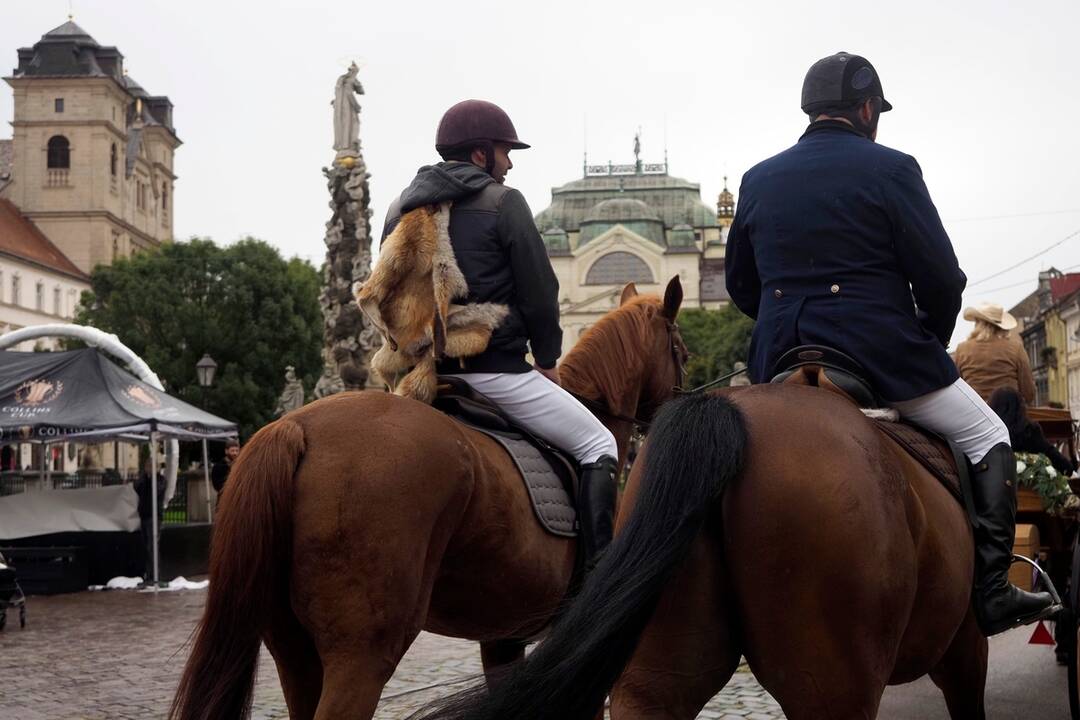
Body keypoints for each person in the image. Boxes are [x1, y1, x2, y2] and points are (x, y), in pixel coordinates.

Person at [724, 52, 1055, 636]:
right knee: (989, 433)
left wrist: (787, 325)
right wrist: (922, 339)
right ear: (867, 109)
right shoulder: (892, 168)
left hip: (778, 358)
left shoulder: (757, 177)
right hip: (877, 354)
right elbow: (942, 279)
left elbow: (741, 286)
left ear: (810, 111)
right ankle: (995, 590)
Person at [380, 99, 618, 566]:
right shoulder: (504, 202)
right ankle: (601, 585)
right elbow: (539, 290)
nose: (508, 163)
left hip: (418, 377)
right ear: (479, 154)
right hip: (494, 373)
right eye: (505, 152)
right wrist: (547, 361)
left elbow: (388, 291)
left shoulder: (398, 207)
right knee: (599, 444)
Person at [954, 303, 1036, 404]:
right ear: (1001, 326)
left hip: (974, 412)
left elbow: (956, 388)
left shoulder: (962, 349)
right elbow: (1028, 392)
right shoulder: (1016, 348)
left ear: (978, 323)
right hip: (1008, 412)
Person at [989, 387, 1076, 476]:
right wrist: (1068, 468)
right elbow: (1049, 452)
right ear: (1020, 407)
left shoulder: (988, 432)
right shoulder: (1029, 431)